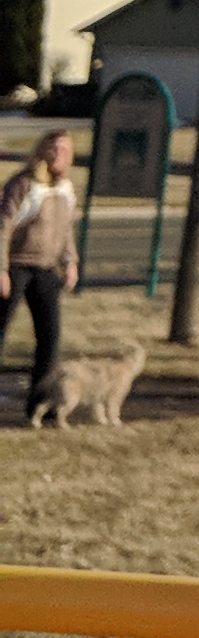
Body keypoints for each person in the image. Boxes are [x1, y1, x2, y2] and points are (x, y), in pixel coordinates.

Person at [1, 129, 80, 426]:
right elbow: (3, 227)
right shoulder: (24, 184)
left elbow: (66, 229)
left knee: (49, 338)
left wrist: (70, 261)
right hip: (16, 267)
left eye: (65, 150)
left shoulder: (66, 190)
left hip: (46, 270)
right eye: (54, 148)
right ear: (42, 151)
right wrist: (2, 270)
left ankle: (40, 406)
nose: (59, 155)